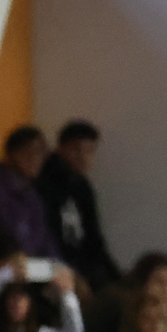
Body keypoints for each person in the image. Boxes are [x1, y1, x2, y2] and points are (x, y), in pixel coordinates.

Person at [35, 120, 118, 290]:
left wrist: (117, 277)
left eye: (89, 151)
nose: (83, 158)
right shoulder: (43, 184)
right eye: (76, 150)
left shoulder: (83, 188)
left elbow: (94, 238)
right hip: (57, 269)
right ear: (61, 149)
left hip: (87, 267)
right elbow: (47, 238)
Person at [0, 126, 58, 266]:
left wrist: (58, 265)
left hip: (27, 266)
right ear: (13, 154)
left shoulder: (31, 193)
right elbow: (11, 238)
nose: (38, 159)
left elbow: (45, 237)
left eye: (42, 152)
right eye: (32, 151)